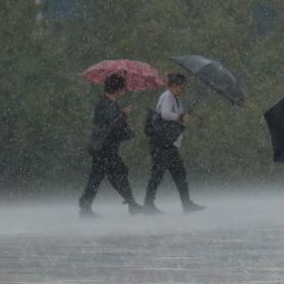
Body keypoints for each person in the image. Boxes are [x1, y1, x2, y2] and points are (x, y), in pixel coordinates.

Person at [79, 73, 142, 217]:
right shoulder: (103, 103)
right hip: (103, 147)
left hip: (108, 146)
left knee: (99, 175)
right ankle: (131, 203)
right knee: (118, 172)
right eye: (123, 88)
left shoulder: (115, 103)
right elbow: (110, 125)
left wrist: (127, 127)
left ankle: (86, 204)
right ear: (116, 89)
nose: (124, 90)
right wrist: (124, 115)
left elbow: (118, 125)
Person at [144, 73, 204, 214]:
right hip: (161, 143)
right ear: (171, 85)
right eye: (178, 86)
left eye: (182, 86)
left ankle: (186, 203)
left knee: (178, 173)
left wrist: (183, 118)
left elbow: (176, 118)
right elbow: (165, 114)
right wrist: (180, 116)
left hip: (168, 144)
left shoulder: (176, 99)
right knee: (158, 173)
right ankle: (149, 204)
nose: (181, 89)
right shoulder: (168, 96)